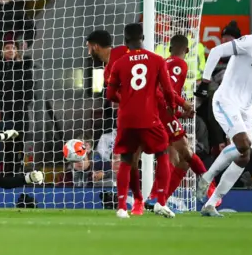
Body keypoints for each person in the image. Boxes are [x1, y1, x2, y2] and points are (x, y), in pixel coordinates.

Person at [195, 13, 252, 217]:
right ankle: (206, 178)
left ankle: (211, 203)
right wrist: (205, 83)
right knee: (242, 145)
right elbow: (217, 51)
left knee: (244, 157)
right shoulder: (251, 41)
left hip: (245, 108)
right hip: (226, 101)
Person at [105, 23, 177, 219]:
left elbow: (110, 93)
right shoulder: (157, 60)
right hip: (149, 119)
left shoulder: (119, 63)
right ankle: (161, 202)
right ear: (143, 38)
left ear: (125, 40)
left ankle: (121, 207)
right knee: (162, 153)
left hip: (126, 119)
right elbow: (168, 90)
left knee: (126, 161)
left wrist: (126, 100)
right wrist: (172, 106)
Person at [86, 30, 143, 213]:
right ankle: (141, 201)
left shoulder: (124, 53)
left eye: (88, 48)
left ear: (95, 46)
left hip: (147, 110)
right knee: (132, 158)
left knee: (168, 152)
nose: (88, 53)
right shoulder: (108, 70)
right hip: (134, 115)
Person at [148, 35, 208, 206]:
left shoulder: (163, 62)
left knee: (175, 158)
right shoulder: (178, 64)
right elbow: (165, 90)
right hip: (162, 112)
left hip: (156, 112)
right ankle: (208, 183)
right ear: (187, 51)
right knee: (185, 151)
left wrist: (180, 114)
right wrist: (184, 103)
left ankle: (158, 200)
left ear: (169, 48)